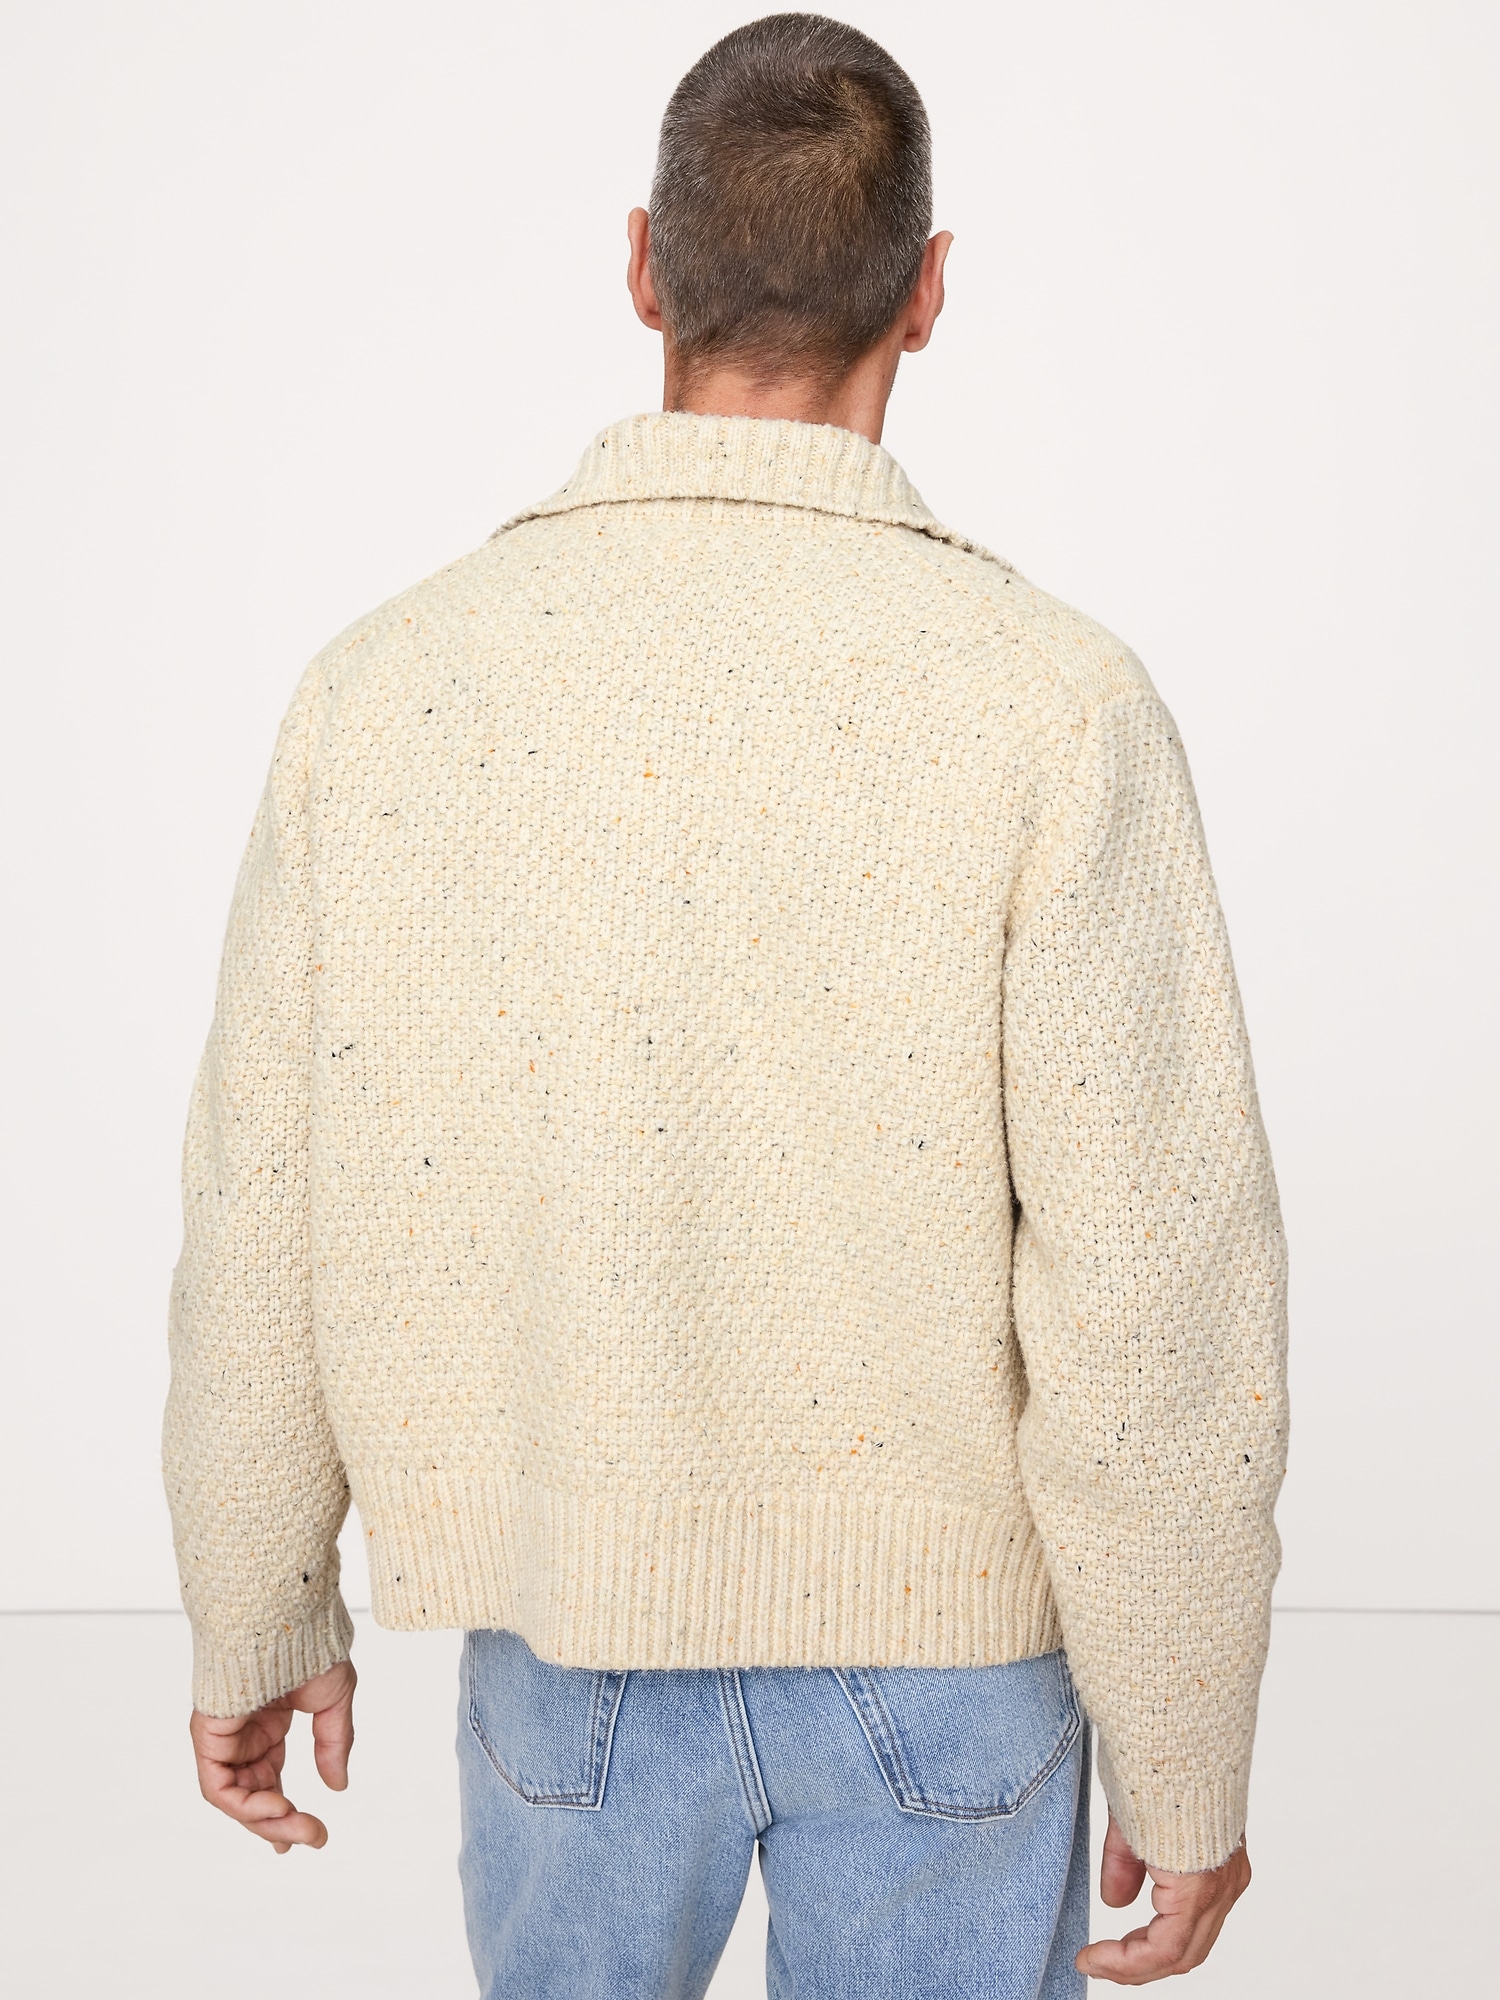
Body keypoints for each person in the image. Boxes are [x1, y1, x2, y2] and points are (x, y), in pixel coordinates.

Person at [167, 14, 1287, 1997]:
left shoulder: (389, 688)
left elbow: (263, 1195)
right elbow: (1155, 1292)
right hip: (954, 1667)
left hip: (567, 1637)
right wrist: (1184, 1747)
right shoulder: (1056, 704)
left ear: (641, 268)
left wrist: (255, 1606)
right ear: (927, 293)